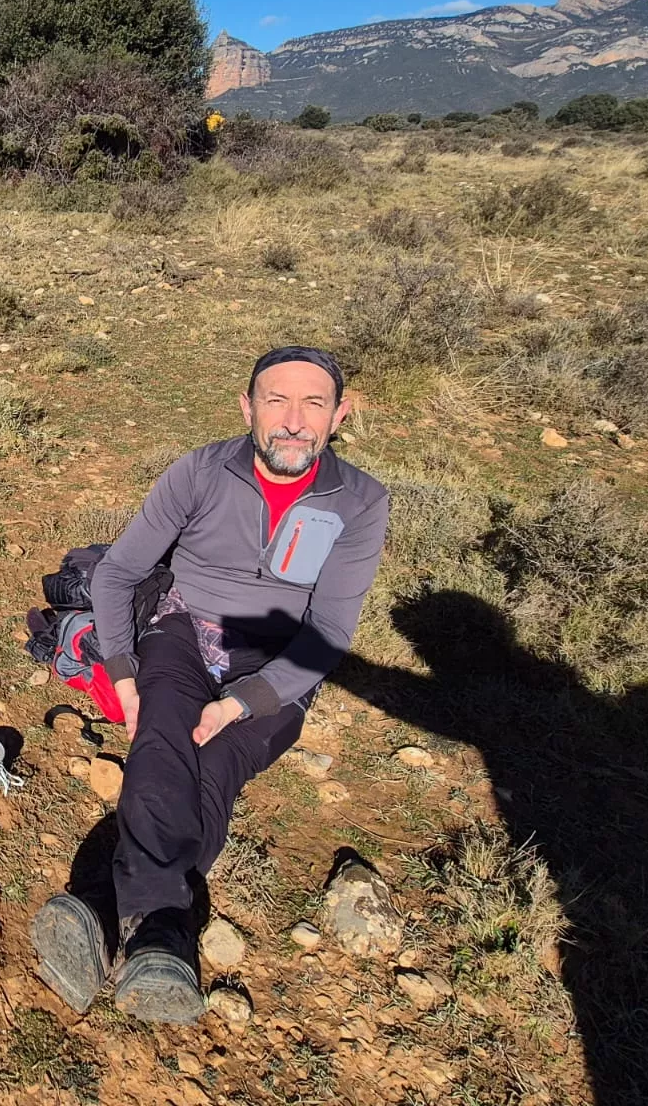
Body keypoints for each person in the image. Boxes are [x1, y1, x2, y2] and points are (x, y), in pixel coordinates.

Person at [30, 346, 390, 1024]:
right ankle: (164, 936)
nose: (293, 420)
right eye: (276, 400)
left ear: (340, 415)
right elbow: (117, 576)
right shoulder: (200, 471)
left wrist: (242, 703)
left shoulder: (362, 501)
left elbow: (329, 634)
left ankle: (108, 911)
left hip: (276, 665)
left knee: (217, 762)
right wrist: (124, 671)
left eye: (313, 403)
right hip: (182, 632)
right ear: (246, 407)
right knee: (165, 741)